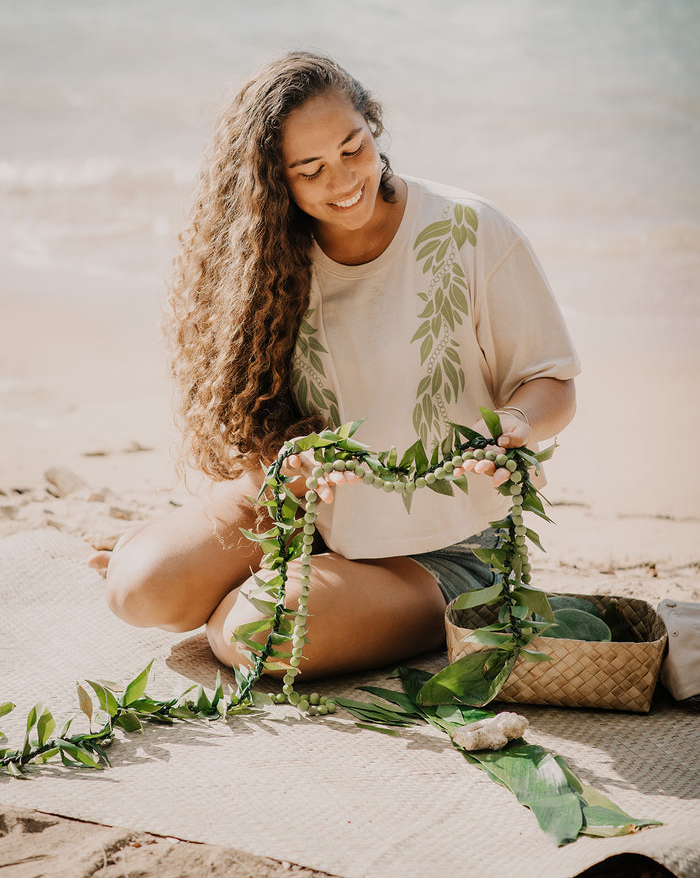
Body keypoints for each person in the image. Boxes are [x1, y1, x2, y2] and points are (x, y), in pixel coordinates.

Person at [104, 51, 579, 681]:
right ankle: (258, 572)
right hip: (304, 510)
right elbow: (256, 423)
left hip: (445, 546)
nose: (343, 180)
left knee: (256, 631)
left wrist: (516, 423)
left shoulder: (469, 229)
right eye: (310, 170)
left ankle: (305, 594)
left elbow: (552, 381)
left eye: (353, 149)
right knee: (139, 592)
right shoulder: (263, 263)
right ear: (274, 185)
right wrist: (286, 468)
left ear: (372, 124)